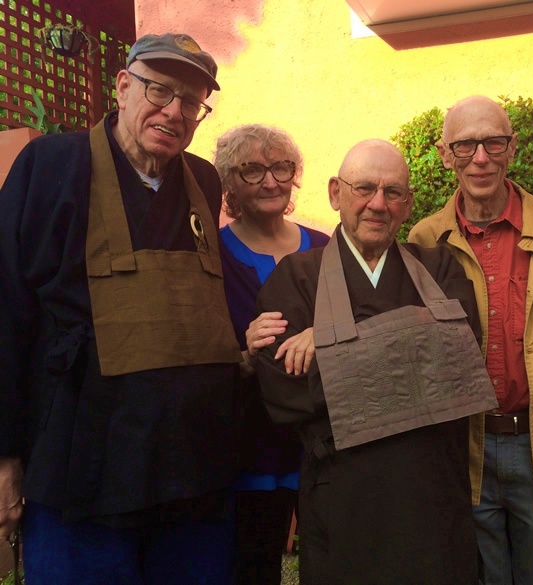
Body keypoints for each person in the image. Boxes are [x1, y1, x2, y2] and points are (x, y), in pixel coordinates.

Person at [0, 33, 243, 584]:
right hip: (81, 467)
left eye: (192, 102)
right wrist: (5, 457)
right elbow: (7, 309)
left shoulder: (203, 178)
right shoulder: (50, 165)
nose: (174, 112)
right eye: (160, 90)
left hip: (194, 469)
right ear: (124, 86)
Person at [247, 139, 498, 585]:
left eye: (393, 192)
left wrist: (327, 343)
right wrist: (412, 348)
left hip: (433, 499)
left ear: (407, 204)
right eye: (364, 188)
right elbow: (285, 390)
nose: (377, 204)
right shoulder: (296, 276)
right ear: (335, 193)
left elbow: (456, 363)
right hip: (345, 501)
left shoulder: (439, 268)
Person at [408, 95, 533, 585]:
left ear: (512, 148)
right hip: (465, 451)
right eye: (465, 145)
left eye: (493, 142)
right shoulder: (425, 239)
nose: (480, 157)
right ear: (444, 153)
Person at [213, 124, 328, 585]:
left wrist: (327, 330)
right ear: (229, 182)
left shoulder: (325, 247)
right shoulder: (213, 254)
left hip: (319, 441)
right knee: (252, 566)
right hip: (248, 444)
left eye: (281, 167)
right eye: (252, 169)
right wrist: (242, 350)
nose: (270, 181)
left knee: (330, 561)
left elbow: (365, 316)